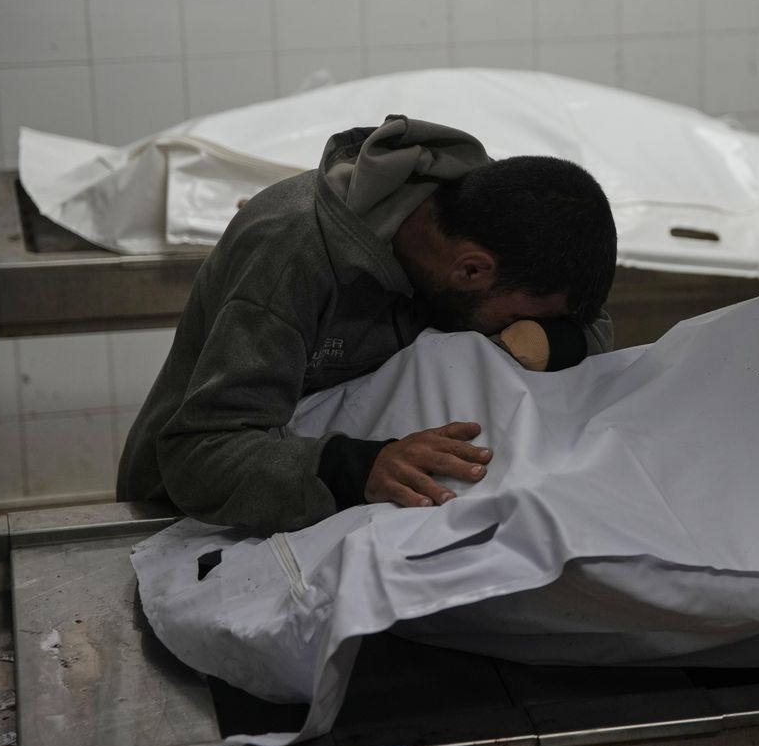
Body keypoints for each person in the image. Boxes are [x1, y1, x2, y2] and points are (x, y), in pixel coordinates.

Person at [116, 115, 617, 533]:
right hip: (189, 520)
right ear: (471, 271)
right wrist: (359, 467)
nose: (518, 328)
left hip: (343, 507)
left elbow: (594, 329)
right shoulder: (292, 252)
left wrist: (536, 341)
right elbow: (199, 456)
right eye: (516, 317)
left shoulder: (483, 224)